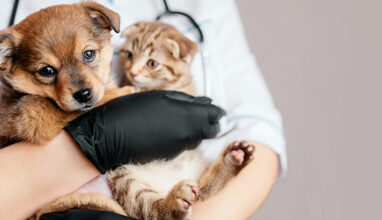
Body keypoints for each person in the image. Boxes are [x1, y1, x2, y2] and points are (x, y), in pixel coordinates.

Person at [0, 0, 287, 219]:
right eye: (48, 71)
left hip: (183, 195)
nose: (80, 87)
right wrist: (91, 143)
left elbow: (258, 130)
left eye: (89, 55)